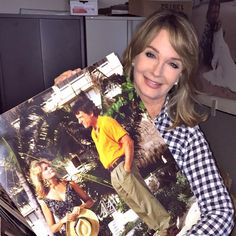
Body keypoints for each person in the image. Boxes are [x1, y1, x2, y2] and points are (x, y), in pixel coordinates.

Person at [54, 10, 234, 236]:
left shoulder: (185, 133)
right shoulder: (107, 120)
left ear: (180, 75)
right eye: (151, 54)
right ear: (134, 56)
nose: (157, 71)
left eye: (173, 64)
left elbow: (220, 211)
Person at [70, 93, 171, 235]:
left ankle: (168, 225)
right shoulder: (94, 133)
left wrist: (127, 167)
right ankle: (159, 228)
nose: (80, 121)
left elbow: (128, 141)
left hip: (122, 166)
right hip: (114, 173)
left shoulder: (106, 122)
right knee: (135, 204)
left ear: (91, 113)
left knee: (144, 199)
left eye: (81, 117)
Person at [29, 159, 95, 236]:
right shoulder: (45, 200)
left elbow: (90, 201)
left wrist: (81, 207)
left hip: (88, 225)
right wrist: (63, 220)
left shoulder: (70, 184)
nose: (50, 168)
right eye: (46, 169)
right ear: (41, 177)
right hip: (73, 233)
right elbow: (51, 229)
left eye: (49, 166)